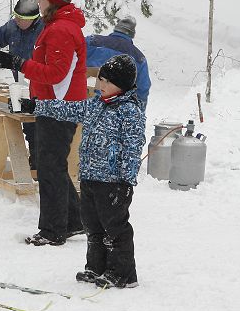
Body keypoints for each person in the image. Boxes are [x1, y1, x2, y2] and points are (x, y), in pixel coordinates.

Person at [19, 54, 146, 288]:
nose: (100, 85)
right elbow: (67, 109)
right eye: (100, 80)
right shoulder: (96, 104)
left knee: (114, 228)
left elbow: (133, 147)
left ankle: (123, 273)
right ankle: (96, 267)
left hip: (113, 181)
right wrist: (36, 105)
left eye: (107, 81)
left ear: (122, 85)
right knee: (93, 225)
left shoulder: (129, 112)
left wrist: (125, 182)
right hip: (89, 177)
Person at [0, 0, 85, 246]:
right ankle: (73, 220)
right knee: (53, 164)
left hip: (59, 106)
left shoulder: (60, 30)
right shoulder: (57, 25)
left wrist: (19, 63)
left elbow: (56, 74)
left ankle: (52, 230)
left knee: (48, 168)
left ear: (52, 1)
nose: (39, 0)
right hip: (55, 103)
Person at [0, 0, 45, 170]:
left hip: (40, 84)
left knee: (38, 126)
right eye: (16, 16)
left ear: (34, 19)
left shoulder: (44, 30)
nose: (18, 20)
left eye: (22, 19)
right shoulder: (12, 27)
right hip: (19, 83)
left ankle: (39, 163)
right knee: (27, 123)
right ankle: (35, 161)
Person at [86, 16, 151, 110]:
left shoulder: (92, 41)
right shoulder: (139, 58)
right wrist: (140, 112)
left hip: (85, 98)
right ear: (131, 34)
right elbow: (143, 89)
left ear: (116, 29)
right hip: (115, 108)